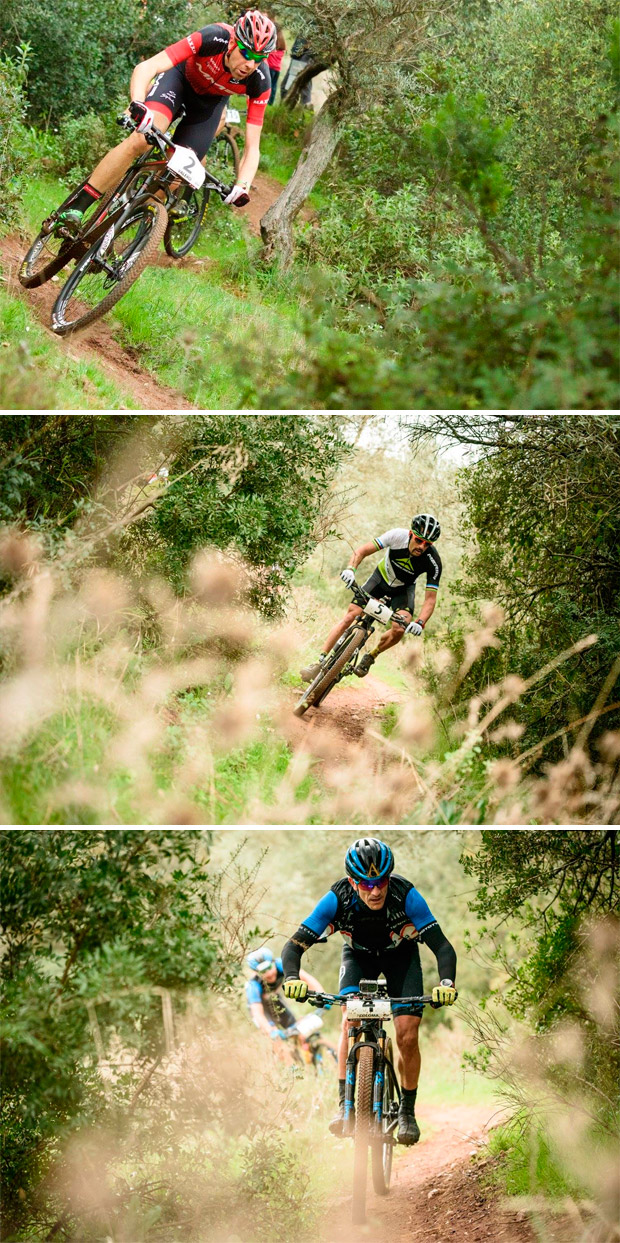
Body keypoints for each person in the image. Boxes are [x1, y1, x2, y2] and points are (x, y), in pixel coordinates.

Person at [281, 837, 457, 1144]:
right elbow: (294, 945)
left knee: (407, 1033)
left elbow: (442, 946)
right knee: (350, 1019)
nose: (374, 891)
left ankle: (407, 1111)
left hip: (401, 958)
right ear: (352, 881)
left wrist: (446, 983)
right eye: (365, 884)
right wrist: (292, 978)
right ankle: (343, 1106)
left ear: (389, 878)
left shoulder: (406, 896)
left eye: (381, 882)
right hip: (358, 957)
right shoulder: (337, 898)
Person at [54, 10, 277, 231]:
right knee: (141, 140)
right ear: (232, 44)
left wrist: (243, 184)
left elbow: (252, 146)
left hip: (207, 107)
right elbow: (148, 66)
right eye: (247, 54)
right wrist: (138, 102)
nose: (250, 64)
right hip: (178, 82)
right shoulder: (214, 37)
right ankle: (78, 207)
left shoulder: (260, 80)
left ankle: (126, 228)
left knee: (180, 168)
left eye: (258, 59)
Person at [301, 513, 442, 682]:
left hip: (403, 590)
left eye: (427, 544)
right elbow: (361, 551)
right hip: (380, 579)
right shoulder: (397, 536)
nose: (421, 546)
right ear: (411, 534)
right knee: (350, 616)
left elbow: (430, 599)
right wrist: (350, 569)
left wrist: (420, 622)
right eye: (419, 540)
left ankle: (372, 655)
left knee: (399, 629)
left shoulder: (433, 561)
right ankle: (319, 662)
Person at [245, 948, 323, 1057]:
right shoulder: (253, 986)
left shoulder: (281, 965)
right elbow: (257, 1013)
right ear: (256, 973)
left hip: (274, 1000)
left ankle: (306, 1061)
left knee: (296, 1030)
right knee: (276, 1039)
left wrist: (322, 997)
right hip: (261, 1009)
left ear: (273, 962)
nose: (268, 973)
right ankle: (285, 1067)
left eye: (269, 967)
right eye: (263, 971)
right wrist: (270, 1030)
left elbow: (306, 979)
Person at [279, 34, 314, 107]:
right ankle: (286, 111)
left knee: (287, 88)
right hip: (298, 56)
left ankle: (286, 110)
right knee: (287, 87)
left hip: (302, 58)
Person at [267, 23, 287, 104]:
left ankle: (266, 101)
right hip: (277, 69)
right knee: (274, 86)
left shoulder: (273, 42)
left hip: (270, 67)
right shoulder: (282, 44)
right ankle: (270, 102)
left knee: (267, 86)